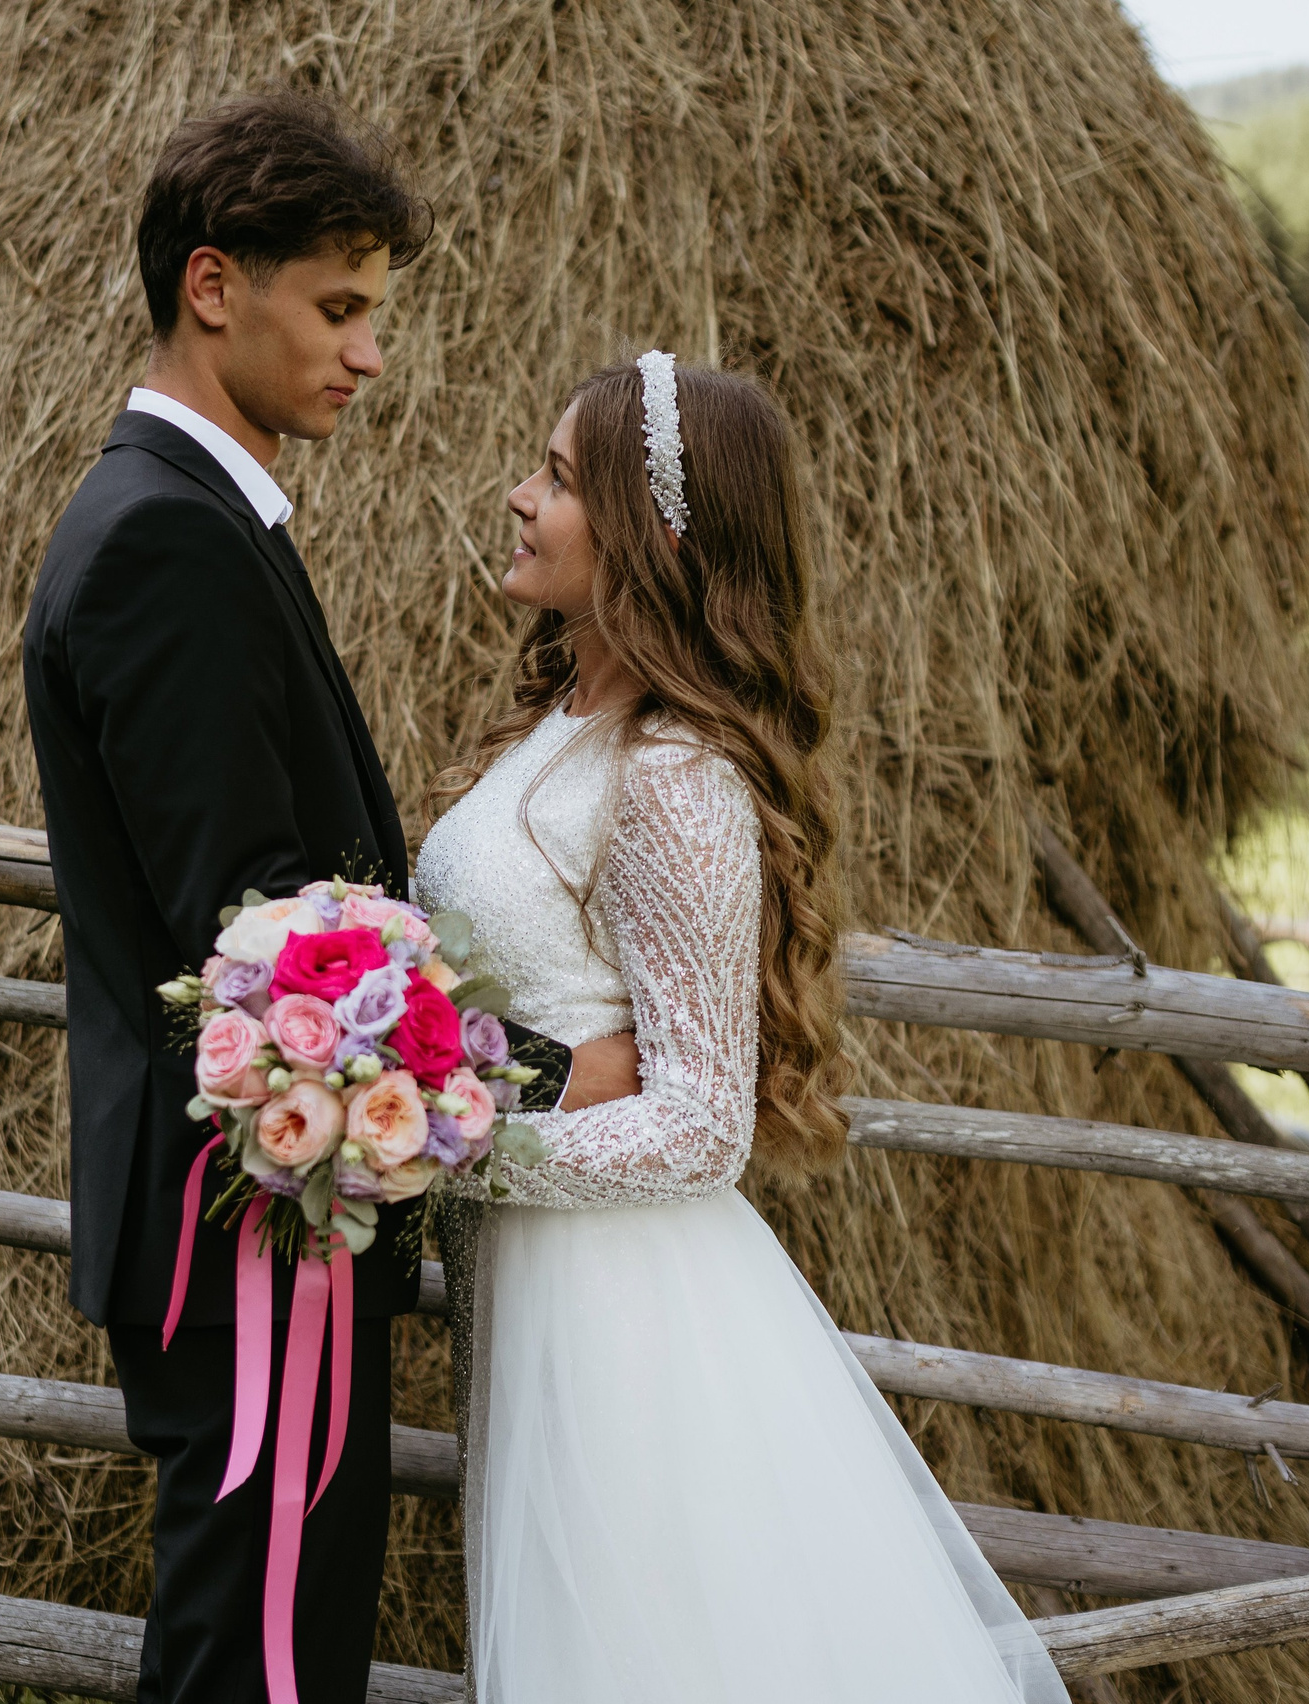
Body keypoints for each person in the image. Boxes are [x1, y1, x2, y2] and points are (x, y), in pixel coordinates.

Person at [22, 94, 631, 1704]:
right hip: (253, 1221)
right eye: (341, 309)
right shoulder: (166, 538)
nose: (370, 355)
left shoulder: (202, 515)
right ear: (215, 285)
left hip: (266, 1214)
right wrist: (549, 1074)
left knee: (269, 1641)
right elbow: (271, 942)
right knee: (267, 1667)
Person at [417, 354, 1072, 1703]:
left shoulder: (673, 778)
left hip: (620, 1312)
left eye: (554, 478)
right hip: (536, 1286)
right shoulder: (566, 725)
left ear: (652, 537)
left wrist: (453, 1144)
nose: (518, 497)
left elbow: (703, 1124)